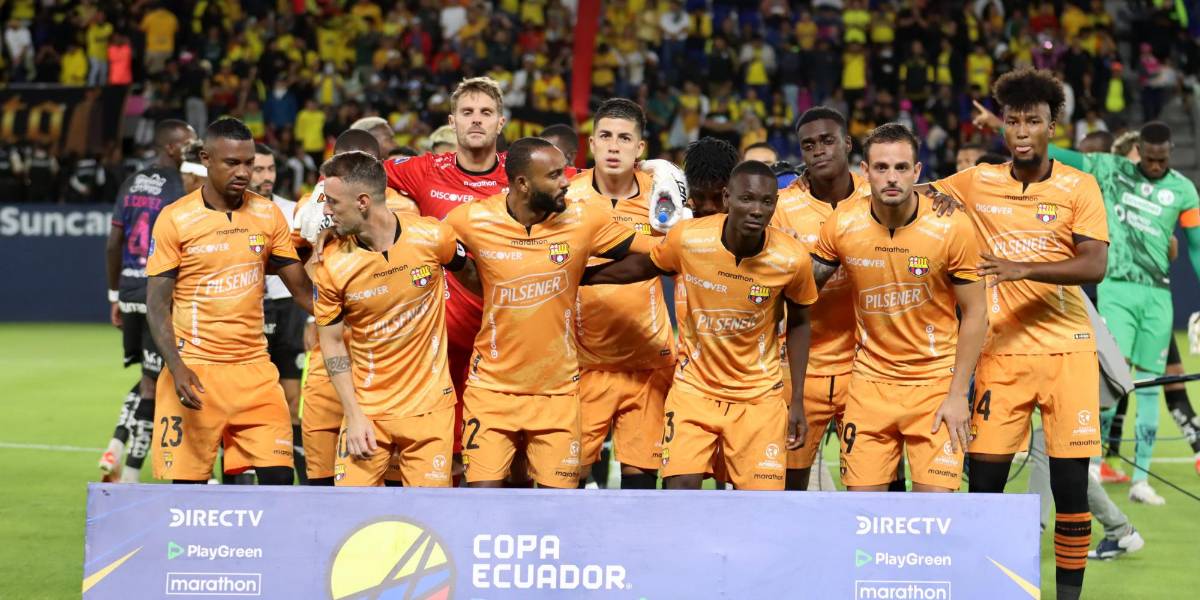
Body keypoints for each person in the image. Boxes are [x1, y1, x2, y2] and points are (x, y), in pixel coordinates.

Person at [930, 68, 1109, 600]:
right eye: (1013, 121)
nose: (1022, 130)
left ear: (1054, 125)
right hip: (999, 354)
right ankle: (991, 590)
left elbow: (1094, 264)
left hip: (1067, 353)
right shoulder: (975, 181)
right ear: (1003, 127)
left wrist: (1020, 267)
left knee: (1070, 489)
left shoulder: (1080, 186)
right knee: (986, 487)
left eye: (1033, 120)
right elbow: (910, 196)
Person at [582, 161, 818, 491]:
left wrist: (797, 402)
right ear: (727, 197)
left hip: (759, 398)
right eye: (747, 198)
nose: (756, 210)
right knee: (680, 493)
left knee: (761, 509)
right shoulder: (690, 238)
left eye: (767, 202)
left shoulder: (792, 258)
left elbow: (801, 323)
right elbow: (643, 266)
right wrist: (583, 277)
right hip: (695, 391)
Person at [442, 137, 645, 488]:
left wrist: (581, 275)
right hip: (492, 390)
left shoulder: (583, 219)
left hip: (558, 393)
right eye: (554, 175)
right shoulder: (471, 218)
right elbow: (421, 242)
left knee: (556, 512)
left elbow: (655, 253)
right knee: (483, 504)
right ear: (523, 183)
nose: (566, 182)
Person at [811, 123, 986, 493]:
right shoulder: (843, 223)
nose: (892, 178)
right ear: (865, 172)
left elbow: (976, 314)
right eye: (881, 168)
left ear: (918, 172)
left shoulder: (952, 226)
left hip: (935, 387)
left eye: (902, 168)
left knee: (933, 521)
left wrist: (958, 395)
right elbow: (804, 288)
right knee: (864, 517)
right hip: (869, 387)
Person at [146, 117, 314, 485]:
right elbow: (157, 304)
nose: (244, 172)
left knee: (280, 481)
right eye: (232, 163)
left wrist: (351, 318)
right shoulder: (176, 219)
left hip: (255, 373)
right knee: (188, 494)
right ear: (206, 158)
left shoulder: (268, 215)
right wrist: (176, 366)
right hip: (196, 371)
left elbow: (302, 289)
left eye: (249, 163)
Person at [311, 151, 468, 486]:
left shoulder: (432, 237)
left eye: (334, 202)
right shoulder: (333, 265)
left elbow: (475, 278)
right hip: (368, 411)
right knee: (350, 523)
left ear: (363, 201)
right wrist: (353, 415)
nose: (326, 211)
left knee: (430, 522)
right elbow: (332, 341)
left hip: (430, 409)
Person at [294, 128, 418, 486]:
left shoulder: (405, 208)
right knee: (319, 481)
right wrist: (317, 311)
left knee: (385, 485)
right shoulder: (309, 208)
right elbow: (289, 263)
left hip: (385, 366)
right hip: (326, 360)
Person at [569, 99, 675, 489]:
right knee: (565, 482)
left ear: (639, 149)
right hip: (581, 365)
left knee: (642, 486)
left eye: (624, 138)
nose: (614, 147)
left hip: (647, 364)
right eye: (606, 137)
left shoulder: (662, 198)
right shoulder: (566, 197)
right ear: (592, 144)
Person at [771, 107, 869, 490]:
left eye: (828, 141)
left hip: (866, 368)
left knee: (874, 489)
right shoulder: (780, 210)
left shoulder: (876, 195)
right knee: (787, 487)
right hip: (799, 370)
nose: (819, 151)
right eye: (808, 145)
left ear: (847, 143)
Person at [100, 119, 196, 483]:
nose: (194, 146)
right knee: (153, 383)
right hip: (159, 293)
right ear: (171, 148)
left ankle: (117, 444)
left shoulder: (131, 182)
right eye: (188, 142)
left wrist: (114, 294)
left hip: (128, 290)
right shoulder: (180, 186)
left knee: (149, 377)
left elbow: (113, 243)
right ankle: (130, 476)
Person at [251, 143, 309, 482]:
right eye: (259, 170)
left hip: (289, 310)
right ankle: (243, 477)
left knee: (292, 399)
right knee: (251, 400)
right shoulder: (237, 214)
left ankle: (300, 479)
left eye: (270, 169)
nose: (265, 176)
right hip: (251, 313)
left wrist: (313, 317)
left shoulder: (290, 212)